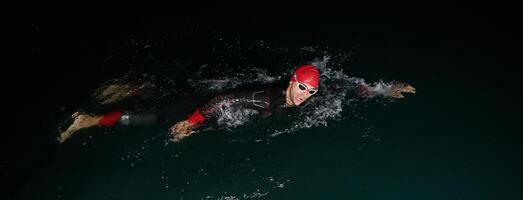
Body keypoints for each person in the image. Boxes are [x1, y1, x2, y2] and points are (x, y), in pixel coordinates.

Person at [58, 65, 415, 143]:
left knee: (172, 91)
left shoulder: (311, 95)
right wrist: (191, 122)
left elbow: (344, 85)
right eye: (302, 87)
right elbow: (221, 101)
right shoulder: (264, 99)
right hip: (213, 99)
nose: (305, 95)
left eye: (311, 92)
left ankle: (138, 85)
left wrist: (384, 90)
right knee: (154, 116)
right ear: (292, 81)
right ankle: (88, 119)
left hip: (228, 92)